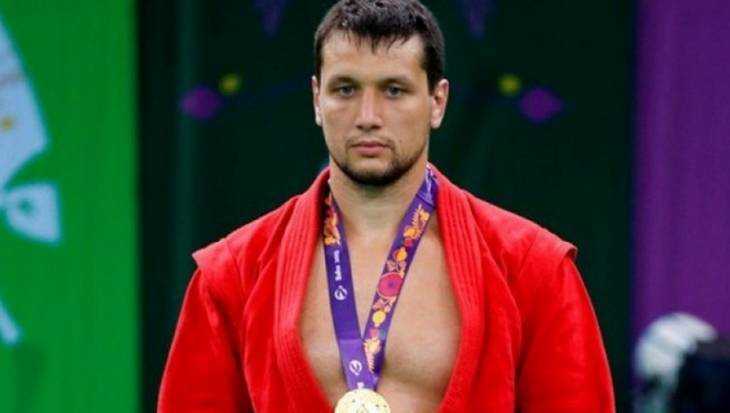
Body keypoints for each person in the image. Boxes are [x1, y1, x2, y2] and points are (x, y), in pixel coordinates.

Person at [157, 1, 615, 412]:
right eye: (345, 89)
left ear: (437, 102)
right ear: (316, 99)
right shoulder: (233, 275)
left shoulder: (533, 269)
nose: (368, 116)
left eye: (394, 90)